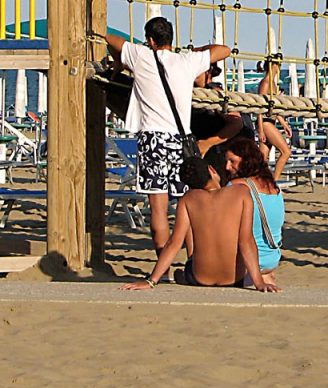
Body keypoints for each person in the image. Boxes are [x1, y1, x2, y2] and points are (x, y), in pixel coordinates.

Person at [105, 18, 238, 262]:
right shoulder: (185, 61)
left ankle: (163, 266)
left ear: (150, 40)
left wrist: (117, 61)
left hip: (152, 139)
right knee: (185, 204)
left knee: (158, 207)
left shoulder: (141, 55)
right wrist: (196, 52)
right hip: (179, 140)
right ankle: (192, 261)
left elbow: (110, 38)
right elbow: (224, 50)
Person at [120, 143, 279, 292]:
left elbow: (174, 243)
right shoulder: (241, 193)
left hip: (201, 278)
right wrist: (258, 282)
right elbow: (246, 241)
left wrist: (151, 280)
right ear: (211, 170)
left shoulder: (188, 199)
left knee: (185, 259)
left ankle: (184, 271)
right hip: (234, 278)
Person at [223, 134, 284, 288]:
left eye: (232, 161)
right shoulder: (273, 187)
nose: (227, 167)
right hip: (272, 258)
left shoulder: (237, 186)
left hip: (250, 261)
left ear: (246, 161)